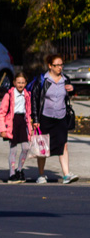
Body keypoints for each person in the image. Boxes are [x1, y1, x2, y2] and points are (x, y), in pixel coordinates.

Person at [30, 54, 78, 184]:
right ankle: (41, 175)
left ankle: (66, 174)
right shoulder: (42, 80)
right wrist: (35, 119)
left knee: (63, 145)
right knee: (42, 147)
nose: (60, 68)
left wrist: (72, 90)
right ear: (50, 66)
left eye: (61, 65)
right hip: (45, 117)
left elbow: (70, 93)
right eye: (57, 65)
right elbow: (34, 99)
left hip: (61, 117)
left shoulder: (65, 79)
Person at [0, 72, 33, 183]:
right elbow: (2, 113)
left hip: (23, 122)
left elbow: (29, 111)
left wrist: (31, 125)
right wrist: (2, 129)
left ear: (26, 83)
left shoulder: (27, 95)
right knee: (13, 149)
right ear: (14, 83)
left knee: (26, 147)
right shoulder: (9, 95)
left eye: (23, 82)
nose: (21, 85)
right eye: (18, 82)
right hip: (12, 123)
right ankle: (12, 174)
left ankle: (19, 170)